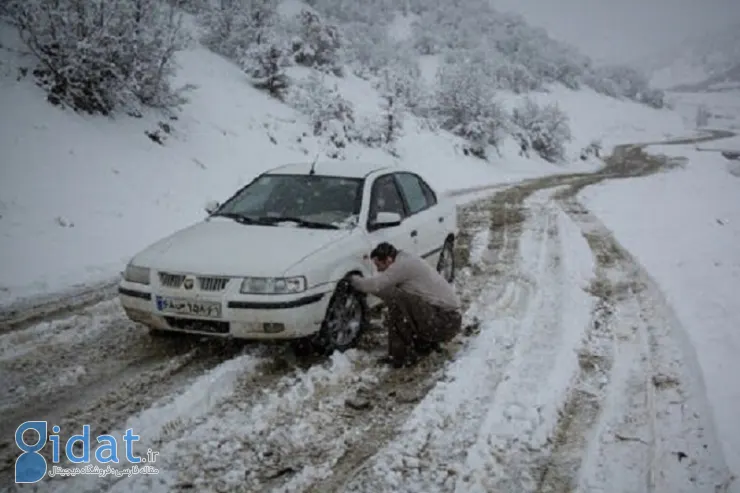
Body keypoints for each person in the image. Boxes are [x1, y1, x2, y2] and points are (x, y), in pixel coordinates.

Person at [349, 242, 462, 368]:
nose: (379, 270)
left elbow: (376, 285)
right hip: (444, 319)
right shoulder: (405, 259)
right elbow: (384, 290)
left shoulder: (402, 265)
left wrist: (352, 281)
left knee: (399, 302)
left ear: (388, 260)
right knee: (403, 300)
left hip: (446, 321)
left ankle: (401, 357)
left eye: (378, 265)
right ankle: (422, 345)